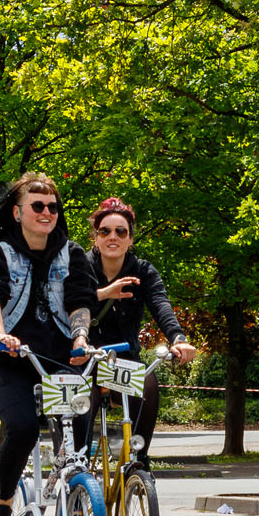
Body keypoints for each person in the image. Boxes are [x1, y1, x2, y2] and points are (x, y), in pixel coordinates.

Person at [0, 174, 96, 516]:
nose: (47, 213)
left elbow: (80, 301)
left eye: (53, 207)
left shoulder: (71, 253)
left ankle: (77, 511)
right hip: (8, 359)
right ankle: (3, 505)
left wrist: (80, 337)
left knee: (80, 426)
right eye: (38, 206)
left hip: (59, 360)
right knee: (23, 427)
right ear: (17, 212)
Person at [79, 197, 196, 464]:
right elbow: (67, 303)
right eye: (105, 231)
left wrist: (178, 338)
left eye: (121, 231)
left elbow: (160, 304)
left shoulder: (143, 271)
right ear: (95, 237)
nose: (113, 237)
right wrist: (104, 293)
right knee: (80, 407)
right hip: (83, 359)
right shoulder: (80, 267)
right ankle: (76, 466)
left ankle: (138, 460)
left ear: (130, 239)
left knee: (147, 384)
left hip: (122, 360)